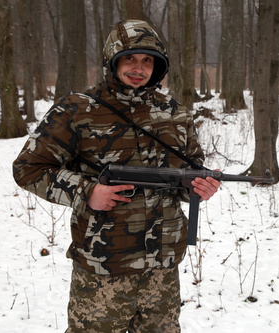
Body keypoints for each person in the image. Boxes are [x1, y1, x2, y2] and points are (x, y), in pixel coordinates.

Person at [13, 19, 220, 332]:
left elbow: (186, 175)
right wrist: (86, 192)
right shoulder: (76, 110)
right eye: (130, 58)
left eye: (147, 60)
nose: (138, 68)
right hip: (103, 266)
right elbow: (28, 168)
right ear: (113, 60)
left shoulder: (175, 113)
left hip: (161, 267)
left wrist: (199, 186)